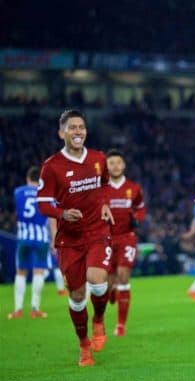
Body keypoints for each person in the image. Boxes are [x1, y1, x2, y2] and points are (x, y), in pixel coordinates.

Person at [37, 109, 115, 367]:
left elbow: (104, 184)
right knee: (78, 296)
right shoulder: (51, 167)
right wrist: (62, 213)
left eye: (81, 127)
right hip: (69, 239)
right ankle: (84, 346)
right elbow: (43, 204)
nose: (78, 131)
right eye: (72, 127)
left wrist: (105, 203)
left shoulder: (98, 158)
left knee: (98, 280)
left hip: (97, 231)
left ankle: (100, 319)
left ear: (86, 131)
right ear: (62, 133)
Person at [105, 149, 146, 336]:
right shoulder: (102, 189)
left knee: (123, 276)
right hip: (105, 239)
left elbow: (141, 209)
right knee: (107, 283)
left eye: (118, 162)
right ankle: (111, 290)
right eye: (111, 163)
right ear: (106, 166)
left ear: (123, 165)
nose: (115, 166)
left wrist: (137, 218)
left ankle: (120, 325)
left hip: (127, 237)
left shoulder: (133, 188)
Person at [8, 166, 50, 320]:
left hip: (23, 237)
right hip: (41, 239)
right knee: (38, 272)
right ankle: (34, 309)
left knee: (21, 273)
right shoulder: (46, 195)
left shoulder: (18, 191)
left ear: (27, 178)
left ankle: (18, 310)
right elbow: (51, 218)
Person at [47, 217, 68, 296]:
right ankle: (61, 289)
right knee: (56, 265)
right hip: (55, 240)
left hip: (57, 239)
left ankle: (61, 289)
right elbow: (52, 224)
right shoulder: (54, 208)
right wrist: (54, 240)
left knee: (57, 265)